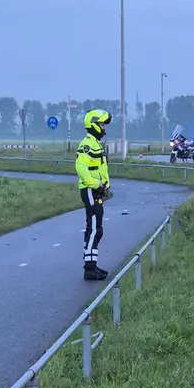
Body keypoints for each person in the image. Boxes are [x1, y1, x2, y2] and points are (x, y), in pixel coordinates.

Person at [76, 109, 112, 281]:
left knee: (96, 229)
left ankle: (92, 264)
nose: (104, 128)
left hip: (96, 191)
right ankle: (89, 268)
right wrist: (94, 183)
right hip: (90, 190)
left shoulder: (96, 144)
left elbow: (100, 169)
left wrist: (105, 186)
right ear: (94, 125)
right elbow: (81, 167)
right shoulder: (88, 144)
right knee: (94, 230)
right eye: (102, 124)